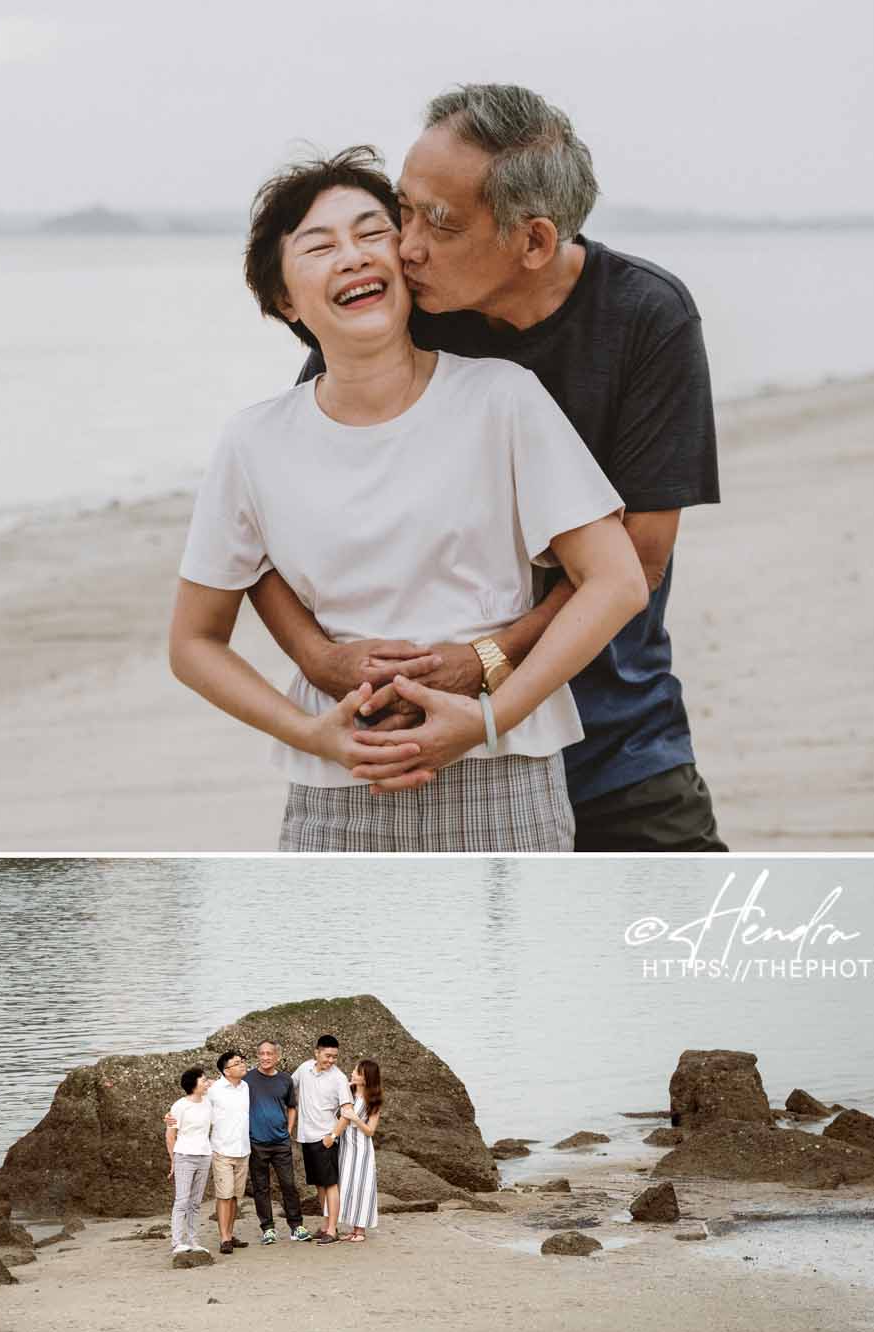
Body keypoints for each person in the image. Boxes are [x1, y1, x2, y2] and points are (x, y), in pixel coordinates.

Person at [247, 85, 727, 853]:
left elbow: (638, 558)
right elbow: (274, 508)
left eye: (438, 224)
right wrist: (322, 660)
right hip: (422, 752)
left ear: (533, 241)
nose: (403, 247)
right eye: (403, 209)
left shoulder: (646, 315)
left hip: (617, 736)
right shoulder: (401, 311)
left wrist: (488, 662)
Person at [169, 146, 649, 852]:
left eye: (372, 233)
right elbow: (193, 643)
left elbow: (616, 582)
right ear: (282, 298)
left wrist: (489, 718)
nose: (354, 257)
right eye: (319, 245)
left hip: (505, 771)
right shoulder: (254, 442)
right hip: (341, 782)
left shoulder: (502, 399)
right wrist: (309, 732)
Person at [244, 1040, 310, 1245]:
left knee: (288, 1184)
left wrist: (288, 1130)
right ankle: (268, 1229)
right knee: (261, 1187)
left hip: (281, 1142)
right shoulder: (247, 1079)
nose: (265, 1057)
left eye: (269, 1054)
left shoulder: (285, 1080)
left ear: (277, 1056)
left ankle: (296, 1226)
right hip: (256, 1143)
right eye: (261, 1053)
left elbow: (292, 1107)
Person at [292, 1034, 355, 1245]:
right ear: (316, 1052)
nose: (330, 1060)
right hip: (306, 1137)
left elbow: (347, 1112)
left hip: (326, 1137)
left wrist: (333, 1136)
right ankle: (326, 1224)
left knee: (330, 1184)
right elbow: (286, 1087)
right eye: (327, 1056)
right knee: (319, 1184)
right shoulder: (304, 1069)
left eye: (334, 1057)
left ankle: (332, 1230)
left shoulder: (338, 1078)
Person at [164, 1065, 216, 1259]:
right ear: (193, 1085)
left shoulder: (208, 1102)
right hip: (184, 1156)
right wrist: (173, 1161)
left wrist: (210, 1082)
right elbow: (170, 1135)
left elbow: (218, 1084)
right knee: (182, 1200)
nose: (206, 1082)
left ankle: (193, 1240)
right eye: (202, 1080)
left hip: (204, 1155)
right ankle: (177, 1242)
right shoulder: (179, 1106)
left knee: (195, 1202)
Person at [204, 1049, 252, 1255]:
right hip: (222, 1149)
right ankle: (224, 1238)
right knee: (224, 1195)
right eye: (237, 1063)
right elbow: (198, 1106)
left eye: (242, 1061)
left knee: (235, 1197)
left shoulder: (245, 1087)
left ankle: (230, 1234)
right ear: (226, 1070)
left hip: (243, 1148)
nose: (242, 1065)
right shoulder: (214, 1090)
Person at [336, 1059, 383, 1242]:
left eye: (357, 1072)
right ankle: (352, 1227)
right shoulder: (349, 1092)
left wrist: (355, 1119)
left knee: (362, 1185)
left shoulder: (373, 1100)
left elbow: (370, 1131)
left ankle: (361, 1229)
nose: (352, 1074)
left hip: (362, 1148)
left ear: (366, 1078)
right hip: (346, 1146)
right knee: (347, 1184)